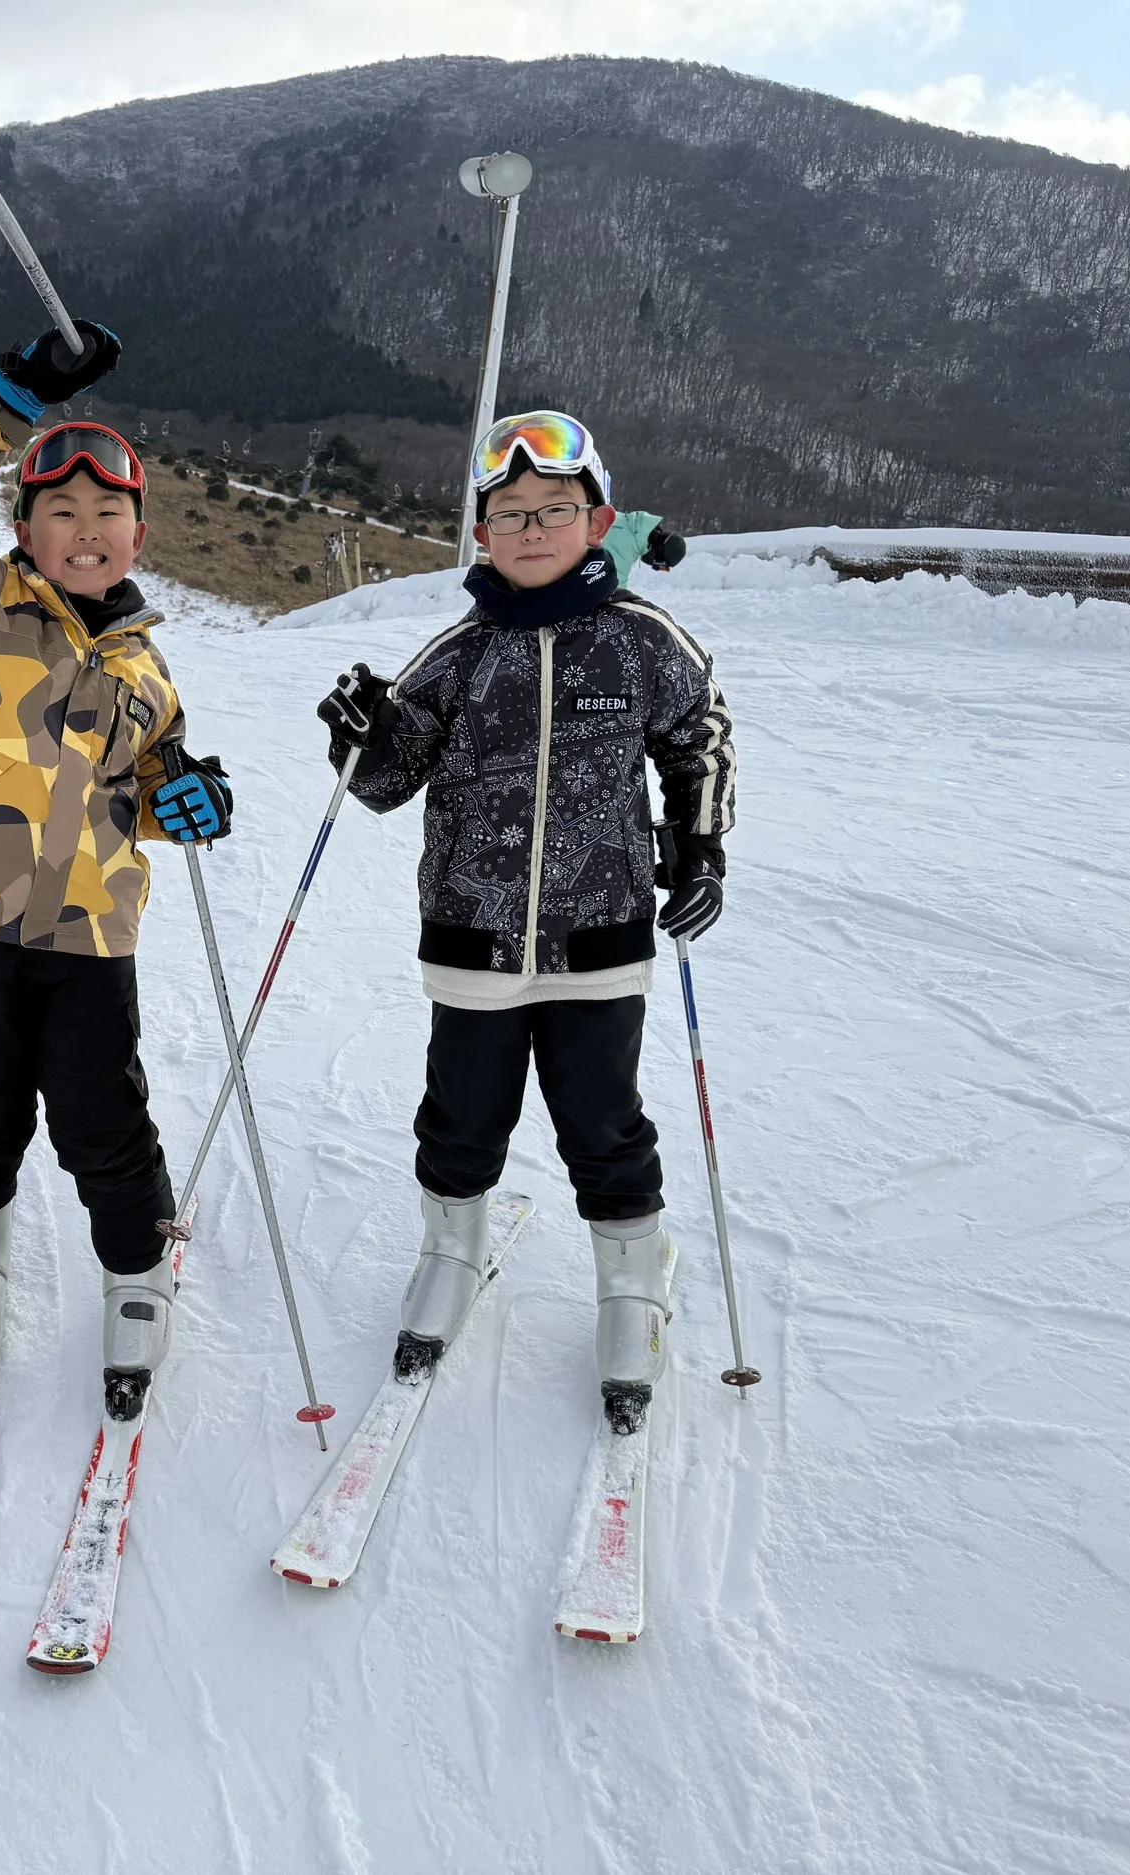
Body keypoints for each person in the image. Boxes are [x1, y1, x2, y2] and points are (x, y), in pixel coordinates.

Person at [316, 409, 733, 1437]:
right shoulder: (455, 653)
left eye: (555, 510)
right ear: (481, 533)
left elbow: (700, 738)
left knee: (602, 1117)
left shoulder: (642, 641)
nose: (533, 529)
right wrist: (356, 736)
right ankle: (452, 1248)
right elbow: (384, 783)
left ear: (596, 522)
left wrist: (699, 844)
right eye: (509, 514)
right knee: (462, 1113)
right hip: (471, 936)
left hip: (601, 936)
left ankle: (632, 1273)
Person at [0, 319, 235, 1423]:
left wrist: (187, 801)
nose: (85, 533)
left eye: (108, 514)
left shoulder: (148, 672)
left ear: (138, 533)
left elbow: (146, 791)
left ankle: (136, 1267)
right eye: (60, 512)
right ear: (25, 527)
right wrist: (15, 396)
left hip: (89, 934)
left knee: (101, 1114)